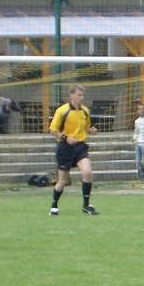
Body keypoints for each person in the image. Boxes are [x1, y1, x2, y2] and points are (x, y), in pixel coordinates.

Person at [48, 85, 99, 216]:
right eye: (79, 95)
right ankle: (54, 206)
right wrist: (65, 138)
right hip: (65, 148)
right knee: (62, 181)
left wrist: (91, 131)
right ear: (71, 95)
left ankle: (86, 205)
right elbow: (53, 130)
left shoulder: (85, 110)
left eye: (82, 95)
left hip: (80, 147)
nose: (81, 98)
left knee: (87, 173)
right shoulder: (62, 111)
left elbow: (86, 128)